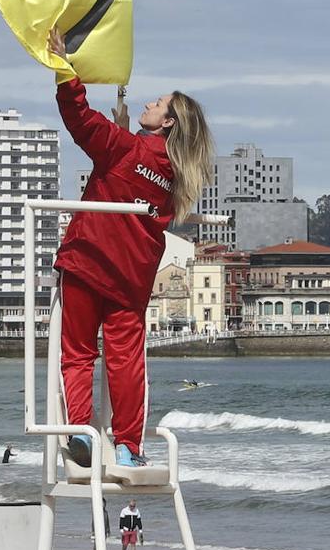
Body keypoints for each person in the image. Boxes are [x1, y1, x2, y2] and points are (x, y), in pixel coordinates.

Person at [48, 28, 215, 469]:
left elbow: (80, 118)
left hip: (87, 261)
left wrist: (64, 68)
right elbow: (142, 165)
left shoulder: (123, 149)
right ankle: (128, 446)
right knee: (126, 362)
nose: (147, 104)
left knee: (78, 353)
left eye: (156, 105)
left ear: (169, 122)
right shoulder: (178, 177)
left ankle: (80, 430)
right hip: (130, 279)